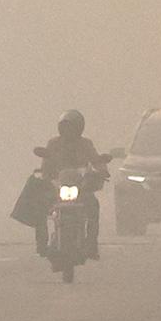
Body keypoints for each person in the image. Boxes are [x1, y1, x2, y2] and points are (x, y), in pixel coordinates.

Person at [35, 110, 107, 257]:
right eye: (65, 127)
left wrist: (102, 170)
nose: (69, 131)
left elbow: (96, 160)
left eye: (72, 128)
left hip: (80, 187)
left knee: (93, 207)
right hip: (58, 187)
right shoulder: (53, 143)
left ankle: (92, 245)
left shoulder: (86, 144)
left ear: (79, 128)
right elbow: (46, 164)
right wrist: (45, 175)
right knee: (40, 207)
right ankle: (42, 244)